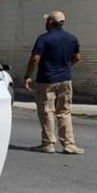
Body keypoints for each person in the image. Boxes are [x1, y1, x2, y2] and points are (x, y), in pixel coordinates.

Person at [23, 11, 84, 154]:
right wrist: (65, 67)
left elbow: (35, 59)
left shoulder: (44, 38)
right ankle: (69, 144)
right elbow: (77, 57)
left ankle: (48, 143)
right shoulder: (72, 38)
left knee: (47, 111)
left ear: (50, 22)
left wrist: (27, 76)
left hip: (47, 80)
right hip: (65, 80)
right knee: (64, 111)